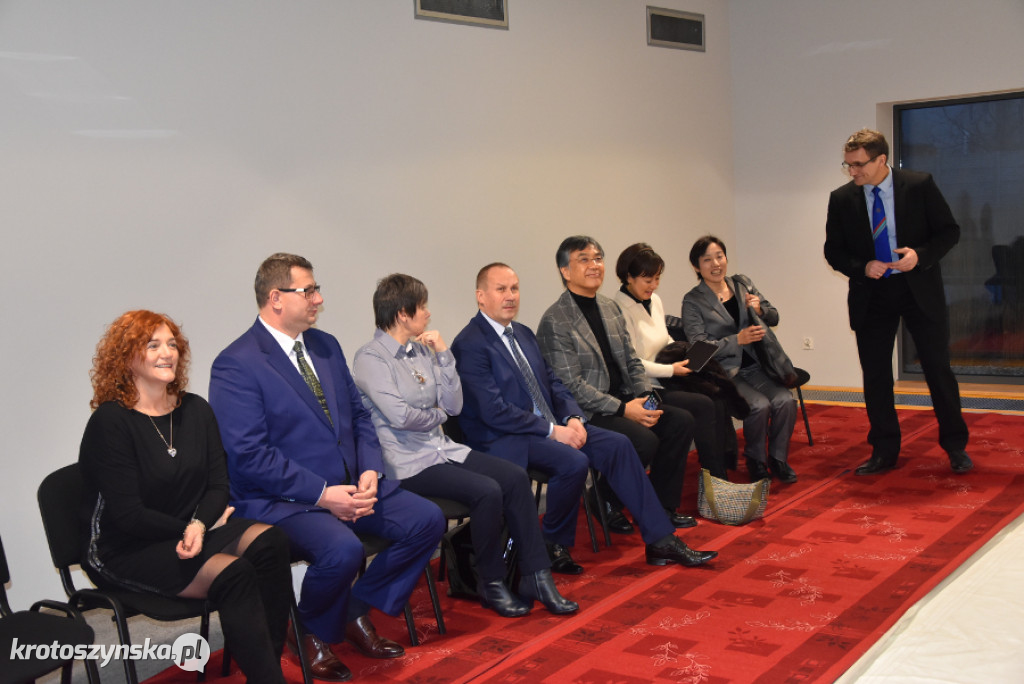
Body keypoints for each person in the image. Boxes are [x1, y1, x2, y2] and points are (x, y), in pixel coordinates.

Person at [209, 254, 446, 682]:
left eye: (316, 289)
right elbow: (249, 455)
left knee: (427, 520)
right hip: (283, 500)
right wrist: (322, 494)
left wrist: (369, 470)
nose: (319, 299)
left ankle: (352, 612)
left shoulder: (325, 345)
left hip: (351, 485)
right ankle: (309, 633)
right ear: (276, 298)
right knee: (343, 551)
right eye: (309, 291)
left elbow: (359, 417)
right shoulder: (237, 363)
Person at [452, 263, 718, 570]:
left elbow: (553, 383)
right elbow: (494, 411)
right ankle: (553, 543)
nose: (510, 296)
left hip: (551, 425)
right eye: (501, 289)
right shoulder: (470, 344)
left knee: (619, 445)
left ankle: (661, 540)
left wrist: (573, 417)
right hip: (506, 436)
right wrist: (553, 431)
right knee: (573, 461)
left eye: (514, 288)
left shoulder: (522, 333)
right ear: (481, 296)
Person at [79, 311, 290, 684]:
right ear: (126, 357)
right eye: (153, 345)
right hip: (128, 547)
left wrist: (198, 526)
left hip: (190, 530)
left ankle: (266, 667)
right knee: (234, 573)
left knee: (271, 542)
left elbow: (218, 485)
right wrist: (191, 529)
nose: (167, 353)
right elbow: (128, 515)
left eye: (172, 344)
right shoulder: (110, 422)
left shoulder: (195, 409)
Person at [352, 274, 578, 618]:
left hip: (443, 449)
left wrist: (443, 355)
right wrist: (437, 414)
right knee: (487, 491)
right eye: (422, 306)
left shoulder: (421, 350)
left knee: (514, 477)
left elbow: (454, 405)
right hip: (407, 462)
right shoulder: (371, 358)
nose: (428, 313)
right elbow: (400, 417)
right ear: (402, 314)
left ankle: (537, 576)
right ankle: (491, 582)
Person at [824, 128, 971, 475]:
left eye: (859, 165)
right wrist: (863, 266)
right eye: (848, 165)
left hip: (918, 288)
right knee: (876, 375)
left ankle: (955, 446)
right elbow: (833, 251)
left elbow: (949, 231)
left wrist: (919, 255)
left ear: (881, 160)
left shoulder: (919, 185)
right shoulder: (841, 198)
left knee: (937, 369)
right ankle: (884, 451)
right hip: (872, 294)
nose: (852, 172)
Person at [536, 236, 699, 530]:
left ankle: (662, 506)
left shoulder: (609, 307)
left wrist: (645, 398)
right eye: (584, 259)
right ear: (565, 271)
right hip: (589, 411)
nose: (594, 265)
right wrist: (625, 410)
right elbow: (571, 386)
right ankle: (604, 498)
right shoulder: (555, 320)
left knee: (679, 421)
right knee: (643, 440)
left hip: (626, 398)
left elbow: (632, 361)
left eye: (598, 258)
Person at [682, 236, 798, 483]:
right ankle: (756, 459)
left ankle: (778, 459)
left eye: (720, 256)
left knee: (786, 401)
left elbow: (774, 317)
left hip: (759, 365)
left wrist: (760, 310)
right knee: (759, 406)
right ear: (696, 266)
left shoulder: (742, 283)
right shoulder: (693, 301)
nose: (716, 264)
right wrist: (737, 340)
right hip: (725, 372)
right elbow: (697, 351)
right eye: (707, 260)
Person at [613, 242, 730, 479]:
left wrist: (684, 354)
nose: (654, 286)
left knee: (717, 395)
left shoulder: (654, 300)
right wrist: (670, 370)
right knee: (702, 405)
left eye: (657, 279)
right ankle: (715, 479)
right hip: (646, 389)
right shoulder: (618, 309)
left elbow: (664, 337)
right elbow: (632, 362)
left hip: (668, 376)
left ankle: (718, 472)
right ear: (629, 278)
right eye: (648, 280)